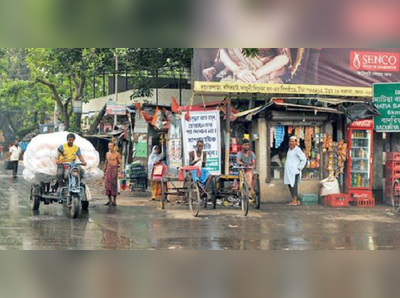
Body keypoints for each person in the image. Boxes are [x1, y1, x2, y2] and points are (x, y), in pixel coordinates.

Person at [202, 48, 292, 84]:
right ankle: (215, 69)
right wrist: (237, 71)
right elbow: (223, 52)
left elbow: (284, 58)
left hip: (265, 70)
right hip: (239, 71)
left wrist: (256, 74)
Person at [284, 136, 307, 206]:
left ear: (296, 143)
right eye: (290, 141)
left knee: (293, 186)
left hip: (294, 171)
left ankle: (295, 201)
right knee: (290, 185)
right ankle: (294, 200)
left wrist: (299, 168)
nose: (291, 143)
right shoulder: (290, 150)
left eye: (292, 141)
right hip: (289, 171)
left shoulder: (297, 150)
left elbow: (304, 159)